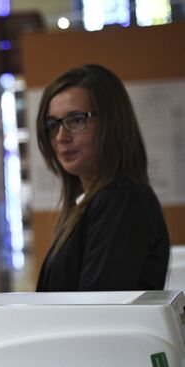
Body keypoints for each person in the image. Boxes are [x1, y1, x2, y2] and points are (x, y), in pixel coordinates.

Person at [34, 64, 170, 292]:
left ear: (112, 123)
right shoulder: (91, 201)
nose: (60, 136)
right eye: (52, 124)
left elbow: (97, 311)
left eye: (76, 120)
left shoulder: (122, 200)